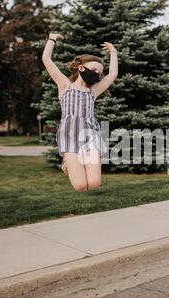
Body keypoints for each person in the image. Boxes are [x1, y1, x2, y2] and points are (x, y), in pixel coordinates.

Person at [42, 33, 118, 192]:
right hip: (69, 138)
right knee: (81, 186)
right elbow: (46, 60)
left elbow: (112, 75)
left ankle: (79, 160)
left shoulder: (94, 91)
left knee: (94, 184)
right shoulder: (64, 85)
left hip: (90, 138)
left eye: (99, 73)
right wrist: (52, 39)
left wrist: (113, 52)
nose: (97, 74)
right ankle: (68, 162)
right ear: (81, 68)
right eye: (95, 70)